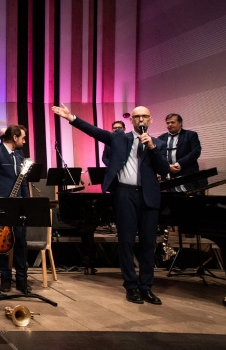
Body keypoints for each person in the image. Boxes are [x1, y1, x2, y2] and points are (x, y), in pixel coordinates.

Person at [52, 104, 170, 305]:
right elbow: (93, 131)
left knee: (149, 243)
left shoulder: (158, 143)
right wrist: (71, 117)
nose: (141, 120)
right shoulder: (118, 138)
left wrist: (151, 148)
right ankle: (131, 287)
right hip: (125, 193)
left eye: (144, 116)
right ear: (131, 120)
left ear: (150, 120)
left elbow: (164, 169)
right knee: (126, 241)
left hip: (148, 196)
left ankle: (146, 287)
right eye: (137, 117)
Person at [0, 125, 31, 293]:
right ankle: (5, 278)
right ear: (15, 137)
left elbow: (22, 180)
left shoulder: (19, 155)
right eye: (23, 138)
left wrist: (27, 202)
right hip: (3, 205)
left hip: (18, 206)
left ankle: (22, 280)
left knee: (21, 241)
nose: (24, 142)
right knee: (2, 242)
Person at [157, 114, 202, 190]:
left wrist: (178, 164)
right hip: (168, 176)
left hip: (187, 175)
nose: (169, 125)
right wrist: (168, 166)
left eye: (172, 122)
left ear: (180, 123)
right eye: (168, 123)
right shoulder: (161, 138)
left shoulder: (190, 135)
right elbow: (158, 156)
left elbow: (195, 152)